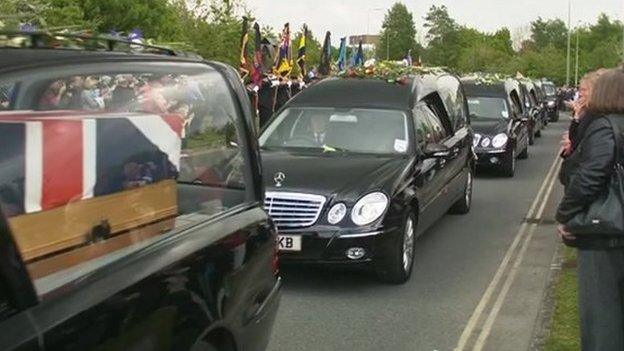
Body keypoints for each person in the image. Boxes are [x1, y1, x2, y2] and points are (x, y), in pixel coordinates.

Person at [556, 68, 624, 351]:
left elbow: (590, 175)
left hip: (605, 233)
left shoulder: (605, 125)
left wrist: (565, 215)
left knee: (602, 319)